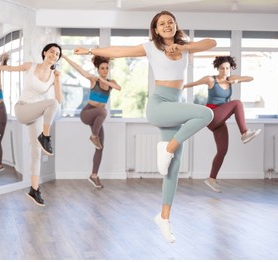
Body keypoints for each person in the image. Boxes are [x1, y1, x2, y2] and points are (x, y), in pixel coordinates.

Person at [74, 10, 216, 243]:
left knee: (173, 168)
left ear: (175, 25)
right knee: (206, 113)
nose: (167, 25)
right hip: (159, 104)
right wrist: (91, 50)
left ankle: (164, 217)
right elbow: (118, 51)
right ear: (156, 30)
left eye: (171, 21)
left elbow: (212, 42)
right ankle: (168, 147)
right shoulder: (151, 47)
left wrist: (184, 48)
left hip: (175, 104)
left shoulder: (184, 45)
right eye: (162, 23)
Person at [0, 43, 62, 206]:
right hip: (23, 108)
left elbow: (59, 101)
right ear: (44, 52)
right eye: (51, 52)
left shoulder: (54, 75)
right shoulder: (30, 65)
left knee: (36, 153)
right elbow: (12, 69)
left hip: (37, 112)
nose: (54, 55)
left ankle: (34, 190)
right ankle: (45, 137)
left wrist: (58, 80)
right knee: (52, 103)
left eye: (57, 54)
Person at [183, 56, 261, 192]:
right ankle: (244, 133)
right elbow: (193, 84)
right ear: (217, 68)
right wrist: (181, 86)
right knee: (237, 103)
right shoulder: (211, 79)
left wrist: (238, 80)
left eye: (227, 68)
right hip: (212, 115)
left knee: (222, 150)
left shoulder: (230, 80)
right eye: (222, 68)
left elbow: (251, 78)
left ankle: (211, 179)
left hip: (220, 120)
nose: (224, 71)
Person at [62, 54, 121, 188]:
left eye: (107, 68)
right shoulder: (94, 80)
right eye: (102, 68)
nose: (105, 70)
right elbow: (78, 69)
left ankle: (93, 175)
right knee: (103, 111)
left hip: (98, 118)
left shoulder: (112, 82)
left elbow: (118, 88)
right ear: (98, 70)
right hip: (87, 113)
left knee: (100, 147)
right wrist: (65, 57)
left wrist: (106, 81)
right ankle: (94, 136)